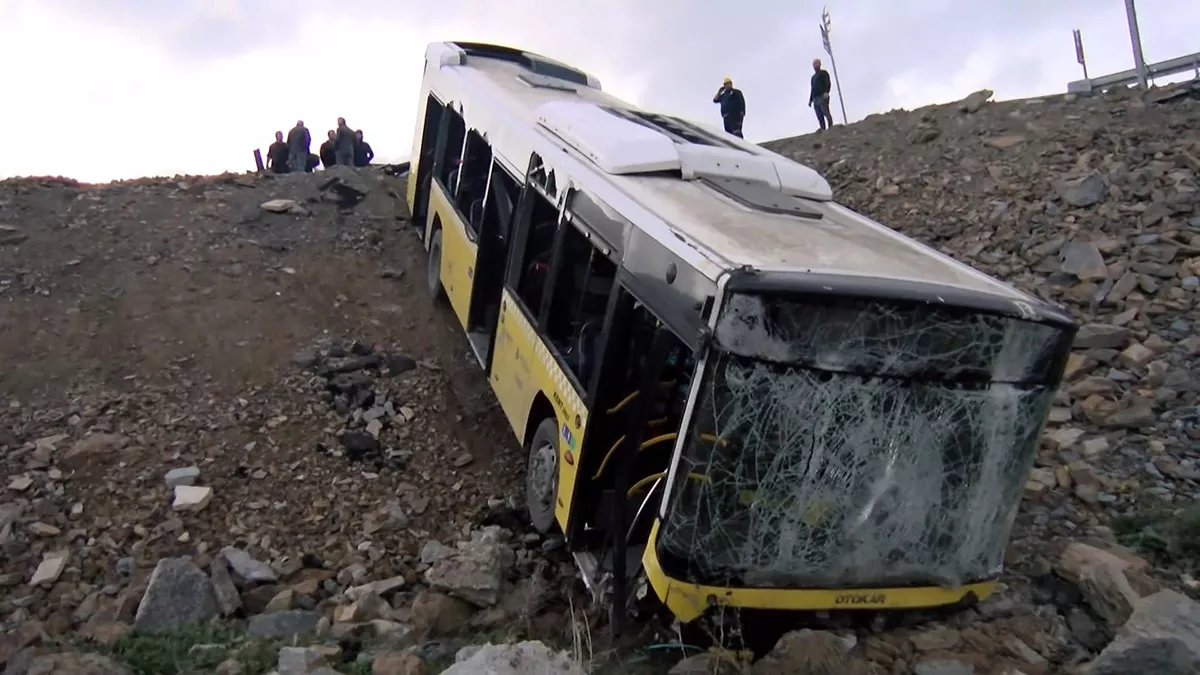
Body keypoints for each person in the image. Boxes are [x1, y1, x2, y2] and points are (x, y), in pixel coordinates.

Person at [809, 58, 834, 131]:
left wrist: (826, 92)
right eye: (814, 64)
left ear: (820, 64)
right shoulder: (813, 78)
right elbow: (812, 89)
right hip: (815, 98)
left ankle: (831, 128)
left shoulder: (824, 73)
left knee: (825, 112)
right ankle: (823, 129)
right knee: (819, 116)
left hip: (822, 96)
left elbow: (827, 83)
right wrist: (810, 100)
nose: (815, 65)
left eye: (816, 63)